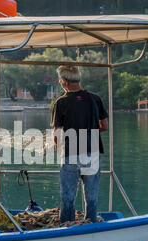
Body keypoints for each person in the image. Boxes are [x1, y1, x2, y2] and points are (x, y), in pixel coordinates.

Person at [50, 65, 108, 224]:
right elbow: (104, 126)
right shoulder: (95, 98)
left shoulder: (61, 102)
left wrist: (59, 149)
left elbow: (57, 133)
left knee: (67, 197)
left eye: (60, 80)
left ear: (65, 82)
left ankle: (66, 227)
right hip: (92, 153)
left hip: (71, 153)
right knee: (91, 196)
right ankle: (90, 225)